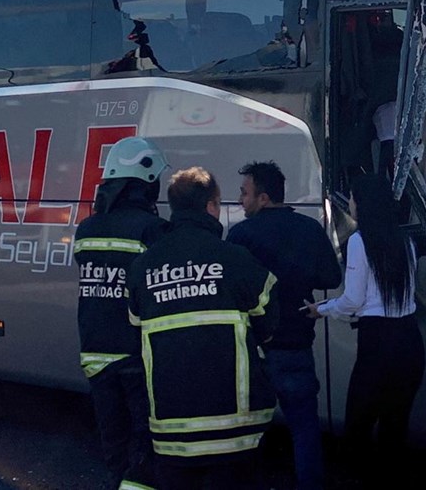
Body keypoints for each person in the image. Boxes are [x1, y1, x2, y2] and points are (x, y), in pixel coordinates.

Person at [126, 167, 278, 490]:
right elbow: (269, 320)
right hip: (236, 433)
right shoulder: (236, 259)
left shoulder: (143, 268)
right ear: (211, 206)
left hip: (172, 434)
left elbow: (134, 328)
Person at [226, 161, 342, 490]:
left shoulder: (241, 235)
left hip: (255, 349)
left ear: (263, 198)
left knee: (250, 432)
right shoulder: (309, 229)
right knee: (304, 426)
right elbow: (331, 278)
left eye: (245, 193)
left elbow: (230, 287)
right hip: (297, 344)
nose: (240, 200)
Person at [306, 174, 424, 466]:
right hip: (409, 341)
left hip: (378, 343)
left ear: (363, 204)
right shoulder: (406, 241)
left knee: (357, 429)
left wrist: (321, 309)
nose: (351, 205)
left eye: (354, 199)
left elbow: (352, 301)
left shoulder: (359, 241)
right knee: (394, 431)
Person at [74, 136, 169, 489]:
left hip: (95, 353)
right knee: (145, 444)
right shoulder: (151, 228)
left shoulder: (87, 228)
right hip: (135, 353)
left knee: (113, 443)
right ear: (145, 183)